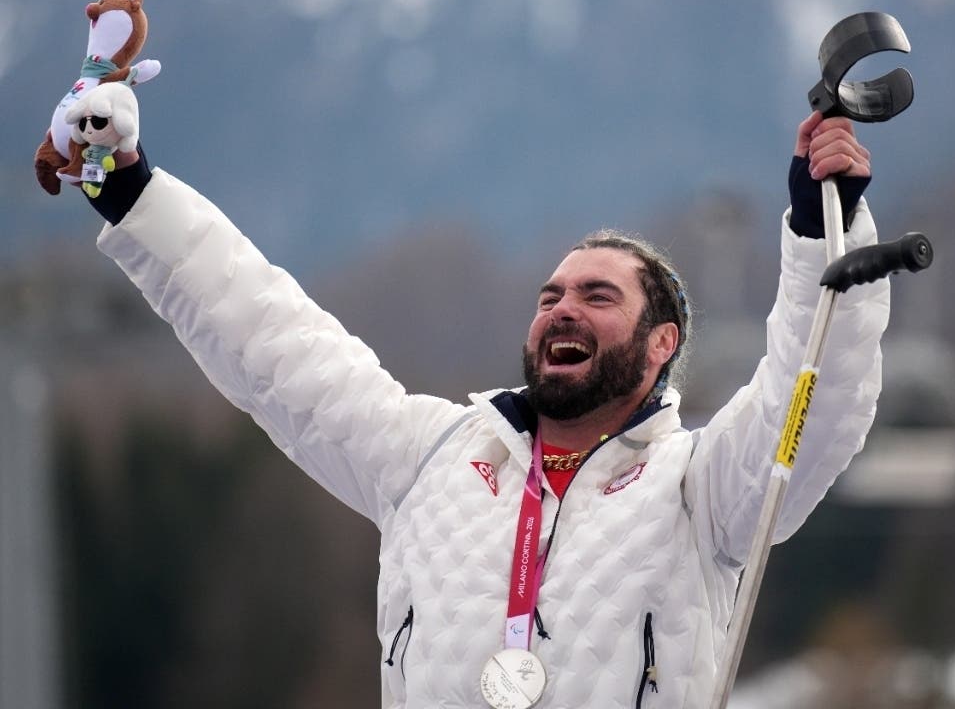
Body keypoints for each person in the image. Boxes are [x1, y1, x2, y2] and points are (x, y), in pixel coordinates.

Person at [43, 108, 888, 708]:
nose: (562, 308)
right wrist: (130, 192)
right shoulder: (430, 455)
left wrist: (826, 229)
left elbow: (810, 400)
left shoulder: (702, 488)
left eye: (598, 296)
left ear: (662, 343)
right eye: (550, 293)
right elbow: (269, 342)